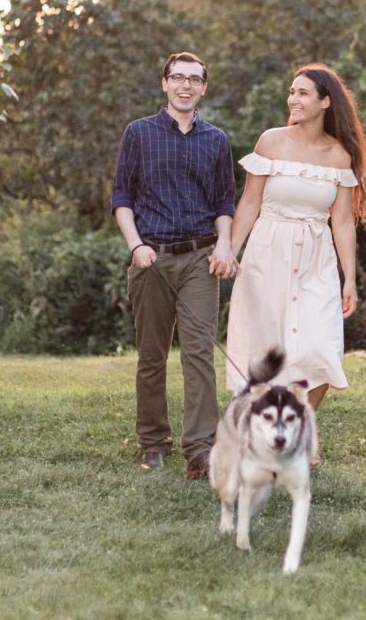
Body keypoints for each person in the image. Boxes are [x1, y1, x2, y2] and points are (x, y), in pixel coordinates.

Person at [225, 63, 366, 461]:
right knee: (266, 346)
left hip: (316, 261)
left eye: (303, 93)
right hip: (268, 254)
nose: (294, 99)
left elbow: (342, 220)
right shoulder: (271, 141)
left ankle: (300, 425)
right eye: (292, 92)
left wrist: (349, 279)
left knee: (320, 346)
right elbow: (250, 201)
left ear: (326, 101)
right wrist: (229, 253)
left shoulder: (340, 154)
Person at [112, 52, 239, 478]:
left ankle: (201, 449)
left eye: (195, 80)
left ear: (204, 88)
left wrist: (225, 246)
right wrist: (136, 247)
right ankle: (153, 443)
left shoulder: (216, 140)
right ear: (164, 83)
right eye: (178, 78)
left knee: (200, 353)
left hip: (201, 259)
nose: (186, 85)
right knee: (152, 356)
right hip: (152, 260)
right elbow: (122, 199)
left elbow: (224, 201)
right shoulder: (139, 133)